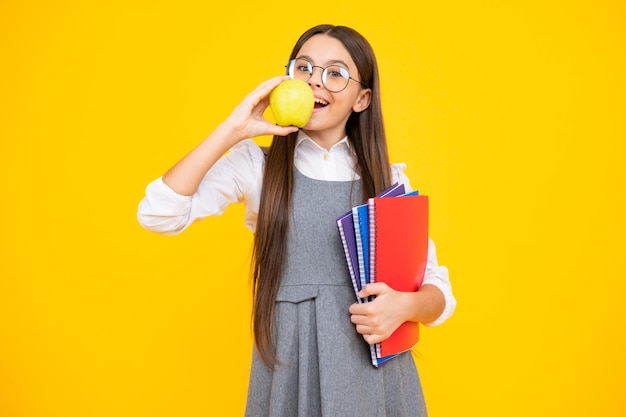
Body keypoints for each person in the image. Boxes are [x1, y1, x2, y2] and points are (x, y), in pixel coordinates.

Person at [137, 24, 456, 417]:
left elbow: (438, 291)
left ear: (362, 99)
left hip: (376, 381)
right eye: (304, 68)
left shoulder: (388, 181)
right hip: (291, 370)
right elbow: (158, 213)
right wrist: (231, 131)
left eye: (335, 73)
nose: (314, 82)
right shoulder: (257, 167)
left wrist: (404, 306)